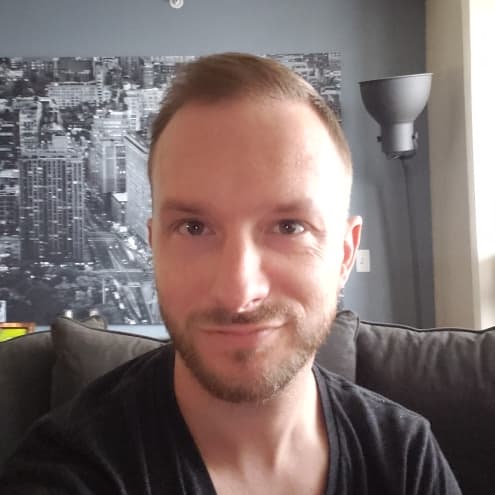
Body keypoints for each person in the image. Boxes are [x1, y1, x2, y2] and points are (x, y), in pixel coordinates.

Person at [0, 53, 461, 495]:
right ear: (154, 246)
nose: (238, 292)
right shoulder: (71, 467)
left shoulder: (404, 457)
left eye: (289, 227)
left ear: (344, 253)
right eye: (193, 227)